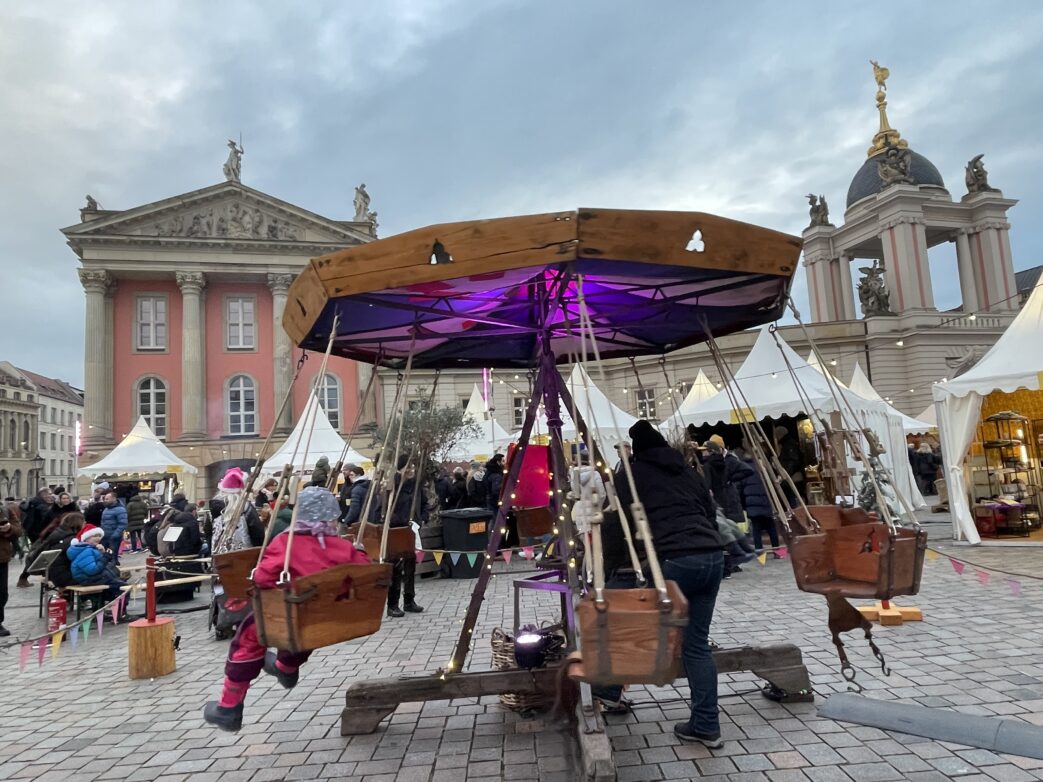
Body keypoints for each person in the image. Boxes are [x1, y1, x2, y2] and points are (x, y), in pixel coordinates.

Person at [598, 420, 726, 748]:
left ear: (636, 451)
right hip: (711, 555)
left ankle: (609, 692)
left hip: (675, 558)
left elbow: (617, 522)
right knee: (696, 645)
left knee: (634, 624)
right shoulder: (688, 471)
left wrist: (612, 565)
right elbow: (710, 513)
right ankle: (706, 725)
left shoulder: (631, 474)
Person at [203, 486, 371, 732]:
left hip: (292, 612)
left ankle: (229, 708)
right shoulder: (343, 547)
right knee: (304, 629)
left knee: (250, 636)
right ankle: (286, 668)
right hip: (326, 616)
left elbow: (261, 578)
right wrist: (359, 552)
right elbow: (364, 573)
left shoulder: (287, 542)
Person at [384, 455, 426, 618]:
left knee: (410, 566)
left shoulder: (415, 486)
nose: (411, 471)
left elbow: (422, 504)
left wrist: (420, 518)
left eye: (413, 468)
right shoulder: (392, 485)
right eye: (408, 468)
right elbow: (384, 509)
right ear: (400, 469)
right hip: (396, 530)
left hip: (412, 529)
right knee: (396, 568)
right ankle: (392, 604)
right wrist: (399, 521)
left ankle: (409, 600)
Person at [66, 525, 128, 607]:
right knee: (124, 588)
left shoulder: (90, 549)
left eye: (99, 536)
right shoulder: (86, 551)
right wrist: (106, 556)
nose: (98, 538)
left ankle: (113, 611)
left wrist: (103, 553)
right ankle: (121, 613)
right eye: (95, 536)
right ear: (86, 538)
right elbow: (92, 570)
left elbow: (104, 565)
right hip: (90, 579)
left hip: (93, 578)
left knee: (119, 582)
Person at [735, 448, 781, 555]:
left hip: (751, 503)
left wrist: (743, 504)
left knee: (756, 529)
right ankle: (778, 551)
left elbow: (739, 488)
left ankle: (760, 553)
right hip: (766, 500)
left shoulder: (743, 468)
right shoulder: (764, 466)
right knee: (771, 527)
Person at [0, 503, 25, 636]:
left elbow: (19, 530)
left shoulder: (5, 510)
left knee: (2, 593)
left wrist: (9, 528)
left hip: (2, 557)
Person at [340, 464, 373, 530]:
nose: (350, 477)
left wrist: (346, 520)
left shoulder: (356, 489)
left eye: (352, 475)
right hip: (369, 519)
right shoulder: (369, 485)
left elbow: (354, 508)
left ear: (358, 475)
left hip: (357, 520)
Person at [100, 490, 128, 564]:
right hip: (105, 536)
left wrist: (116, 534)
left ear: (114, 499)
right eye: (105, 499)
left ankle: (113, 568)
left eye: (107, 499)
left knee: (112, 554)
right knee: (106, 554)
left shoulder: (120, 509)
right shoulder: (106, 509)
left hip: (114, 536)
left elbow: (123, 523)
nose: (105, 501)